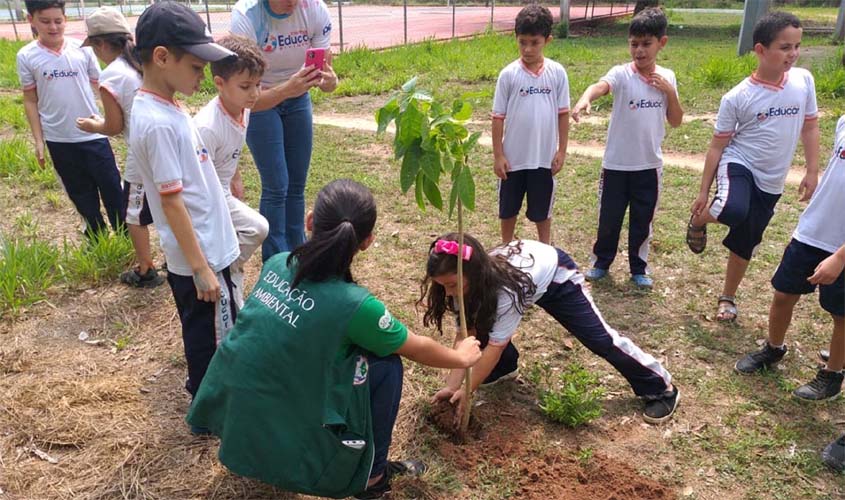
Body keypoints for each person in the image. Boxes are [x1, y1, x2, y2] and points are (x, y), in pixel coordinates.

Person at [187, 179, 483, 500]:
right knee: (385, 366)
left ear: (310, 220)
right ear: (367, 241)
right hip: (284, 445)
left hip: (235, 428)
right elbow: (417, 347)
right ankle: (372, 477)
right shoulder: (356, 306)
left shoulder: (277, 262)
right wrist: (461, 357)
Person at [420, 234, 679, 424]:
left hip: (556, 277)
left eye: (452, 284)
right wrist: (452, 387)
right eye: (442, 286)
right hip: (516, 283)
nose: (448, 293)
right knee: (482, 324)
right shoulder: (461, 286)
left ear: (473, 272)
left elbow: (496, 346)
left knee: (599, 339)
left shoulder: (506, 293)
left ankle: (660, 386)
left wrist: (468, 390)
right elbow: (465, 337)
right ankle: (504, 370)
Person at [129, 2, 240, 400]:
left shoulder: (168, 107)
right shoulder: (156, 122)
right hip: (201, 255)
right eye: (195, 67)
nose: (203, 75)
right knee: (206, 336)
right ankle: (207, 404)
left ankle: (214, 392)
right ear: (162, 57)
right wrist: (200, 268)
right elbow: (171, 202)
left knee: (218, 327)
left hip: (210, 246)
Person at [686, 11, 819, 322]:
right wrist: (703, 192)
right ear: (760, 49)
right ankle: (700, 218)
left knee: (747, 240)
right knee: (732, 210)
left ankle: (727, 297)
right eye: (785, 47)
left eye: (797, 46)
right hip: (739, 164)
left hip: (773, 179)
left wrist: (812, 171)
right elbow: (717, 145)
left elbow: (810, 127)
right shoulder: (737, 97)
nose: (793, 54)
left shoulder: (803, 81)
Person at [734, 115, 844, 401]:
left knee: (841, 314)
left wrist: (840, 257)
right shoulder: (844, 121)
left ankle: (832, 374)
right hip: (813, 231)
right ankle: (774, 347)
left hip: (841, 247)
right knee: (783, 294)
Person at [571, 7, 683, 289]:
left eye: (647, 44)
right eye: (634, 44)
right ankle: (601, 262)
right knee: (609, 218)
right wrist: (585, 99)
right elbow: (601, 85)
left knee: (642, 222)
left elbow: (677, 121)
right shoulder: (621, 74)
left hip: (649, 166)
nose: (640, 51)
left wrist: (669, 92)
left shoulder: (667, 77)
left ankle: (638, 267)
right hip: (616, 165)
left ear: (662, 43)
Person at [230, 0, 338, 260]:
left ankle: (297, 252)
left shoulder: (314, 9)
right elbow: (246, 96)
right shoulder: (247, 15)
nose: (294, 3)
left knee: (297, 183)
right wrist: (285, 89)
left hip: (298, 97)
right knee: (277, 185)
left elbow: (325, 77)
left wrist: (329, 82)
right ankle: (276, 260)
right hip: (259, 97)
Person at [17, 0, 125, 238]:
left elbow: (103, 86)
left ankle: (125, 234)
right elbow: (30, 99)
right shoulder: (26, 56)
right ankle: (96, 236)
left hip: (94, 134)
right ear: (30, 20)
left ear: (66, 19)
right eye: (45, 22)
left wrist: (115, 120)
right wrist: (38, 140)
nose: (53, 27)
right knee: (80, 192)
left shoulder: (82, 49)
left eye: (58, 21)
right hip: (59, 139)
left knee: (112, 186)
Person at [75, 6, 165, 289]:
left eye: (95, 46)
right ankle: (178, 259)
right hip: (168, 141)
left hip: (143, 152)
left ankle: (145, 269)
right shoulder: (143, 62)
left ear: (101, 43)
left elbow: (113, 126)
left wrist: (94, 125)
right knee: (171, 204)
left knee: (134, 214)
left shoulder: (112, 74)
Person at [194, 34, 270, 307]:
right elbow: (198, 180)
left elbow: (234, 147)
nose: (255, 94)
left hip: (223, 188)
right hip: (208, 195)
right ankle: (225, 267)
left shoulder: (242, 108)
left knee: (248, 231)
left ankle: (228, 268)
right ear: (219, 83)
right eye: (246, 86)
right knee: (258, 227)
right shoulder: (207, 127)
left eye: (259, 85)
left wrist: (235, 175)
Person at [491, 4, 569, 245]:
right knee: (508, 208)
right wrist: (498, 155)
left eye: (534, 42)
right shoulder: (509, 74)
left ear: (547, 40)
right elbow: (497, 117)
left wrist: (562, 150)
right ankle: (506, 247)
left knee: (542, 210)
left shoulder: (557, 73)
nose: (528, 48)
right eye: (522, 41)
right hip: (513, 160)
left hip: (543, 159)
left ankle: (545, 248)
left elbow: (563, 114)